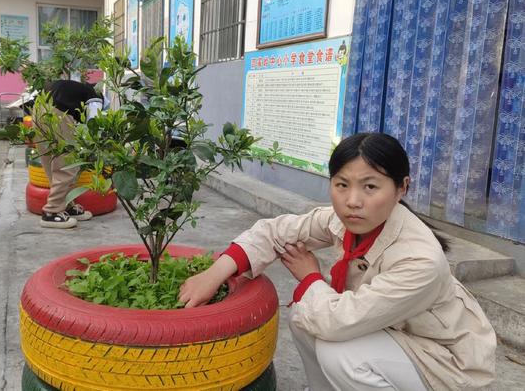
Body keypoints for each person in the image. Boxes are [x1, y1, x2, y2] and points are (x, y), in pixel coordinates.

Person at [179, 133, 496, 390]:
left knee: (340, 353)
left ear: (402, 188)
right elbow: (274, 231)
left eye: (370, 186)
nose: (352, 201)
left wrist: (310, 278)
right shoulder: (346, 220)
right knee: (305, 316)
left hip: (444, 361)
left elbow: (339, 322)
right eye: (342, 184)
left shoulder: (420, 259)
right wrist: (216, 273)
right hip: (395, 332)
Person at [34, 80, 102, 229]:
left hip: (38, 109)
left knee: (49, 160)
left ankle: (65, 205)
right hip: (58, 113)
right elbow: (94, 123)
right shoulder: (95, 97)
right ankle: (52, 212)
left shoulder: (76, 88)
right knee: (68, 164)